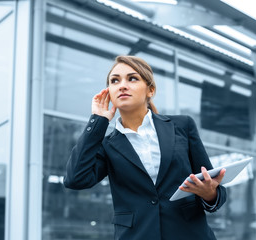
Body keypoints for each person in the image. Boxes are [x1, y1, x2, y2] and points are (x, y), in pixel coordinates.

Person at [64, 55, 227, 240]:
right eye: (115, 81)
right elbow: (75, 179)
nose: (122, 85)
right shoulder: (106, 145)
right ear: (109, 91)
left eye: (132, 78)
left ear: (150, 90)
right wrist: (97, 121)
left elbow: (213, 183)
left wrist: (210, 193)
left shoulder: (182, 126)